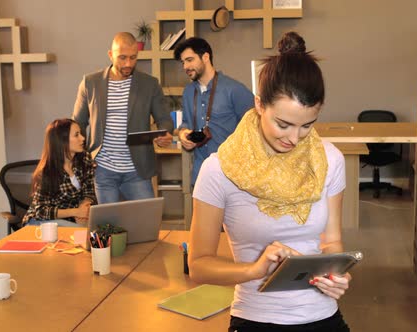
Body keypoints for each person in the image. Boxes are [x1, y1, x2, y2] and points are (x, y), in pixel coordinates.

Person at [188, 32, 351, 331]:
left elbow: (331, 242)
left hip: (322, 316)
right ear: (259, 104)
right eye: (284, 124)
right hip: (256, 319)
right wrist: (254, 269)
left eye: (307, 126)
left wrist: (336, 274)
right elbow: (198, 265)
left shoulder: (329, 159)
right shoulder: (219, 170)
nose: (294, 138)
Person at [73, 32, 174, 203]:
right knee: (109, 226)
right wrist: (84, 159)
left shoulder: (150, 84)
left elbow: (164, 118)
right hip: (102, 169)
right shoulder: (90, 83)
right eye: (122, 58)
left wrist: (165, 133)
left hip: (137, 169)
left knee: (146, 222)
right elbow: (78, 123)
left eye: (133, 58)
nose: (128, 64)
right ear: (110, 55)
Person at [174, 37, 254, 185]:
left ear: (205, 57)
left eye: (190, 60)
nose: (185, 66)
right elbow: (185, 123)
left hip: (231, 175)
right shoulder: (188, 92)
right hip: (200, 174)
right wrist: (183, 133)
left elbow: (255, 126)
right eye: (183, 62)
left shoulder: (234, 89)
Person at [23, 118, 97, 227]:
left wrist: (83, 208)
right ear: (62, 141)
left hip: (69, 220)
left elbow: (90, 192)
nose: (83, 138)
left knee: (99, 231)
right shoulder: (46, 172)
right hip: (39, 223)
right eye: (76, 135)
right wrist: (76, 212)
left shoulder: (85, 159)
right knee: (83, 233)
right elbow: (41, 211)